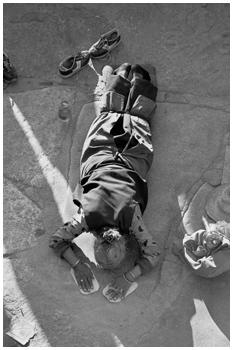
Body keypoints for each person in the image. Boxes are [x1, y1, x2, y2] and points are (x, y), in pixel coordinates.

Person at [49, 63, 161, 301]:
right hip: (100, 151)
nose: (109, 267)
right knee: (110, 114)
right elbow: (57, 239)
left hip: (131, 155)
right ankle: (120, 76)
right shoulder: (86, 218)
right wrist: (77, 263)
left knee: (138, 116)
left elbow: (154, 253)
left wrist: (129, 276)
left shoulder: (131, 219)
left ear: (128, 244)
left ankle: (134, 77)